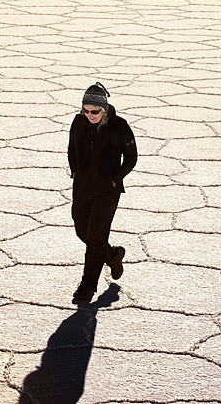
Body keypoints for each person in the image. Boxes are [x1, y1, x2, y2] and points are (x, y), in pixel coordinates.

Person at [67, 82, 137, 302]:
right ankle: (112, 255)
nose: (89, 115)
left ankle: (87, 287)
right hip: (82, 187)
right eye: (85, 110)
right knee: (83, 231)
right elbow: (71, 149)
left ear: (104, 109)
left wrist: (115, 179)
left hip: (107, 191)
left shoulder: (119, 126)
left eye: (94, 111)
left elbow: (131, 157)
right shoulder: (78, 123)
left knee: (95, 236)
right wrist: (75, 172)